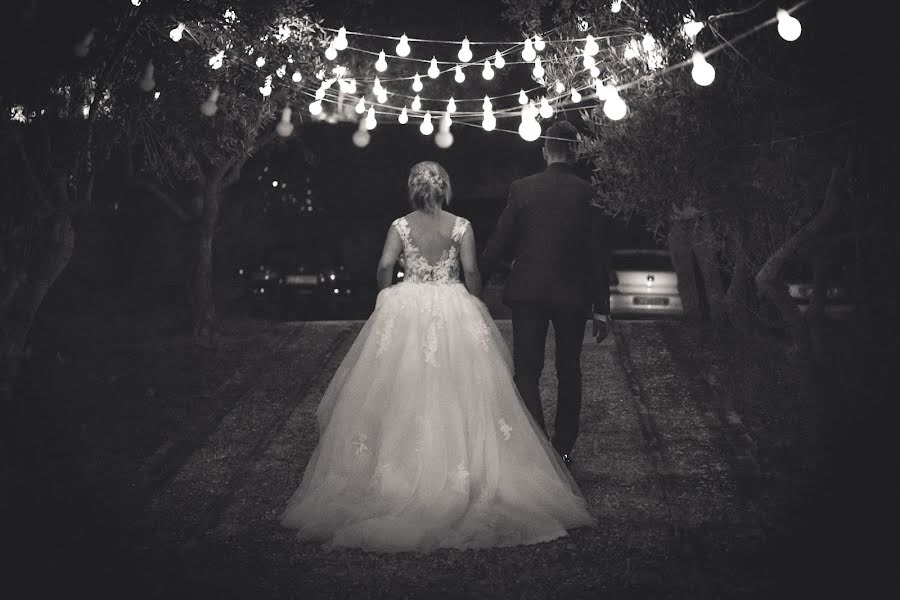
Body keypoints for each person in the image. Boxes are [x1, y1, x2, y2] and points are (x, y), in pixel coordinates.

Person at [280, 161, 595, 553]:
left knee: (402, 385)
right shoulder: (461, 225)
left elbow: (383, 265)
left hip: (407, 304)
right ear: (445, 189)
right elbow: (472, 270)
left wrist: (386, 294)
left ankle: (399, 471)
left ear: (413, 190)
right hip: (451, 304)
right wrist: (474, 301)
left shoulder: (400, 225)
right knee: (463, 387)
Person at [479, 120, 611, 470]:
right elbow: (598, 253)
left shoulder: (522, 189)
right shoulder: (588, 192)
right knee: (569, 370)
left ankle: (536, 447)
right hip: (573, 294)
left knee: (527, 371)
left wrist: (474, 280)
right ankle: (563, 449)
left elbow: (500, 240)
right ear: (576, 151)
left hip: (529, 291)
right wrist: (602, 308)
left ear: (544, 152)